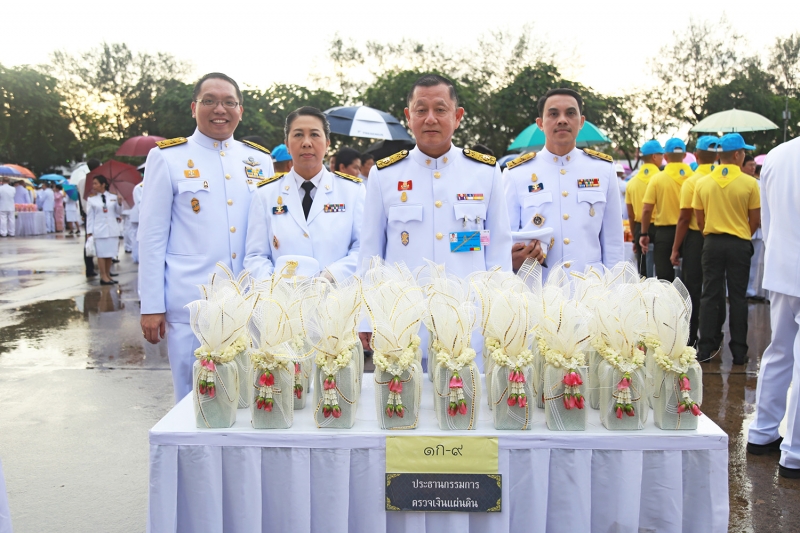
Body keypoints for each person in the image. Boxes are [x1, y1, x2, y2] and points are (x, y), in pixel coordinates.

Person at [139, 72, 274, 402]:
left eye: (229, 102)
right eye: (210, 101)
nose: (220, 109)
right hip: (190, 303)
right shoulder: (167, 157)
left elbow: (271, 233)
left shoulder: (259, 159)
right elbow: (152, 236)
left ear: (240, 110)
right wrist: (151, 305)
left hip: (248, 300)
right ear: (193, 107)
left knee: (249, 398)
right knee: (193, 399)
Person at [357, 74, 512, 360]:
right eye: (421, 110)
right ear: (408, 116)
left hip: (469, 324)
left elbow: (499, 251)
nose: (430, 118)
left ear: (458, 116)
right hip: (403, 326)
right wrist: (367, 317)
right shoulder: (386, 174)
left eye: (440, 110)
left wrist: (501, 316)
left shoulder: (485, 172)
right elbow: (370, 253)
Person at [504, 87, 623, 273]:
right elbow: (504, 239)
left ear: (581, 121)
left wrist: (614, 293)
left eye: (570, 113)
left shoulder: (603, 170)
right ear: (540, 123)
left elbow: (614, 242)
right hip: (538, 291)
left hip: (590, 290)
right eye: (553, 114)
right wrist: (511, 262)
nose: (562, 120)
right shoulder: (516, 173)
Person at [245, 107, 365, 281]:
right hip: (282, 303)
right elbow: (255, 256)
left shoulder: (352, 191)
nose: (306, 142)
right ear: (286, 144)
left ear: (327, 143)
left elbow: (363, 248)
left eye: (315, 135)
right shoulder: (265, 194)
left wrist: (332, 276)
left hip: (337, 299)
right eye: (298, 135)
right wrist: (274, 285)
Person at [746, 135, 800, 479]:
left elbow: (768, 217)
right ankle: (794, 451)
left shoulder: (779, 155)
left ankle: (762, 431)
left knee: (779, 350)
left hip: (783, 268)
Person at [693, 133, 760, 365]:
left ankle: (706, 348)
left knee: (710, 294)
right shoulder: (750, 183)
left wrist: (711, 233)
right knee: (739, 297)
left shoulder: (703, 183)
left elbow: (699, 219)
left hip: (712, 242)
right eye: (743, 153)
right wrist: (742, 235)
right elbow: (755, 219)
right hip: (739, 244)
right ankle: (739, 351)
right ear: (737, 154)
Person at [671, 136, 720, 346]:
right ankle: (715, 336)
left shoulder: (692, 181)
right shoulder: (721, 178)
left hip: (695, 239)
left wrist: (675, 248)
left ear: (696, 155)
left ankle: (691, 337)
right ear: (717, 156)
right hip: (718, 239)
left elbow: (684, 218)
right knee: (716, 288)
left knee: (693, 287)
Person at [639, 138, 693, 281]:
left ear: (666, 157)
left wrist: (644, 233)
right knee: (690, 277)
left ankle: (667, 303)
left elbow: (646, 209)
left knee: (664, 278)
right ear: (685, 155)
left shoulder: (657, 179)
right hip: (689, 232)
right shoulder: (694, 178)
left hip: (664, 233)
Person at [626, 140, 664, 277]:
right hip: (660, 228)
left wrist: (635, 238)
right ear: (654, 156)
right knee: (662, 270)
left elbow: (630, 214)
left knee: (643, 272)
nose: (662, 158)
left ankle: (643, 298)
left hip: (639, 227)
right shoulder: (662, 179)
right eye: (661, 155)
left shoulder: (631, 182)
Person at [86, 175, 122, 285]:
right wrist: (89, 232)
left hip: (111, 228)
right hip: (99, 229)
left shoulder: (113, 197)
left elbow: (118, 212)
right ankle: (103, 276)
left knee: (110, 253)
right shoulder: (91, 199)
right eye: (93, 183)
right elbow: (90, 217)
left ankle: (108, 274)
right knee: (101, 254)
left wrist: (119, 203)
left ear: (103, 184)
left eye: (96, 183)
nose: (94, 186)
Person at [130, 180, 143, 263]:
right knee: (137, 238)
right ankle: (136, 257)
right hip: (138, 217)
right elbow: (140, 203)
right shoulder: (139, 187)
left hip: (141, 216)